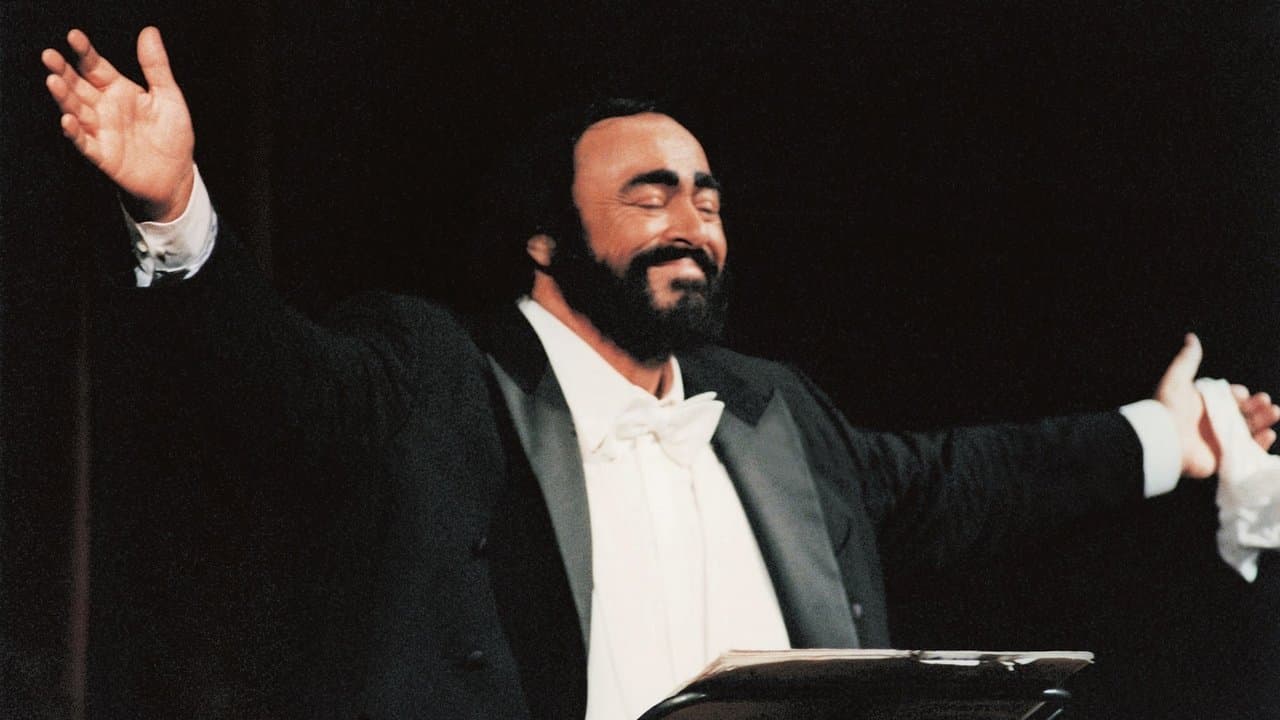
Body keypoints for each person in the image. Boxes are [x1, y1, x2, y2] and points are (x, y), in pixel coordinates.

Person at [41, 26, 1280, 720]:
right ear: (545, 238)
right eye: (649, 194)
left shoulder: (772, 413)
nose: (691, 222)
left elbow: (961, 480)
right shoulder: (434, 376)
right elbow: (269, 383)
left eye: (707, 197)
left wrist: (1165, 437)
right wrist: (175, 211)